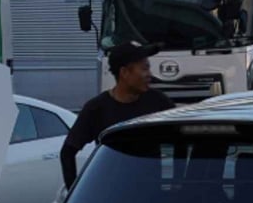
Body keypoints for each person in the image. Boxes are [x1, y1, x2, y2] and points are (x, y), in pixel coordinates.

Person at [60, 42, 175, 188]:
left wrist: (171, 183)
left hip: (153, 192)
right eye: (144, 69)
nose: (149, 75)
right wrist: (74, 191)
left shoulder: (159, 103)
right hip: (113, 194)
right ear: (124, 73)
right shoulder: (96, 109)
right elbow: (68, 152)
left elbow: (178, 145)